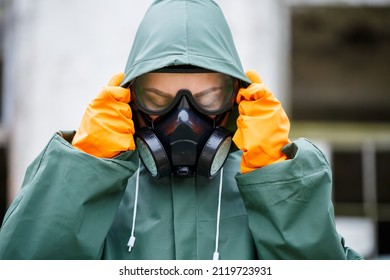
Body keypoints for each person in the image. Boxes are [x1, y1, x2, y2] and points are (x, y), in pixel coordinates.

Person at [0, 0, 362, 260]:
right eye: (158, 98)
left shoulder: (265, 187)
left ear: (236, 98)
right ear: (129, 99)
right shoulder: (96, 185)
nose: (184, 117)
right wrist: (84, 168)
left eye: (207, 98)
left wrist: (276, 177)